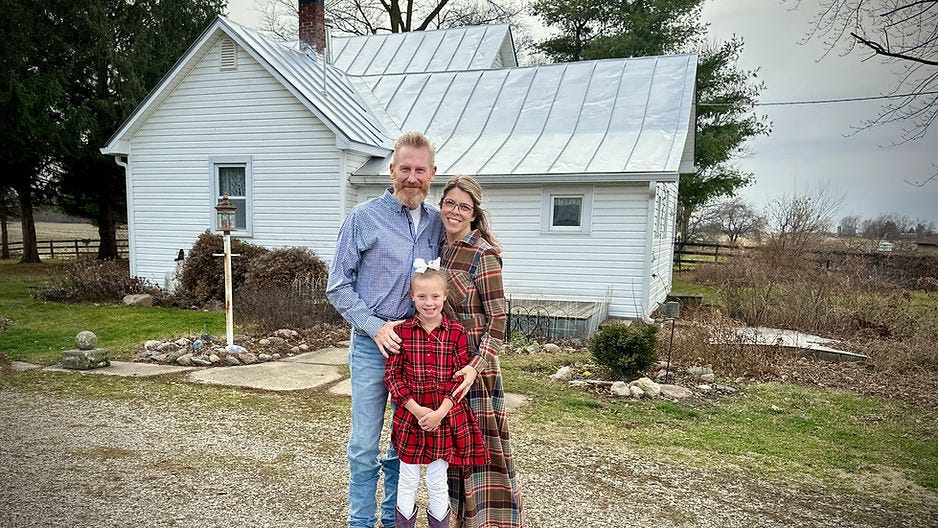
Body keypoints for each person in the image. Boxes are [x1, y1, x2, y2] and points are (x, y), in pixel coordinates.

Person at [327, 131, 450, 528]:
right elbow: (338, 285)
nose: (412, 177)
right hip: (370, 347)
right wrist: (376, 327)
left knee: (406, 445)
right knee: (364, 445)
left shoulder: (436, 223)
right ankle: (360, 521)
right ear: (392, 170)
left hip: (417, 352)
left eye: (420, 170)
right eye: (405, 169)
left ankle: (395, 518)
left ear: (432, 174)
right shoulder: (362, 218)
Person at [438, 175, 525, 527]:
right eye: (450, 203)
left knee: (482, 456)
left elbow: (499, 320)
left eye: (464, 206)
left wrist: (476, 366)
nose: (455, 211)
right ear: (441, 205)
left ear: (474, 213)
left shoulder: (483, 254)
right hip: (445, 366)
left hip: (476, 372)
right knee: (450, 456)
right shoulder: (438, 248)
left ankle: (492, 521)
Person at [384, 261, 490, 528]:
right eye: (421, 296)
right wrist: (418, 411)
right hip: (411, 417)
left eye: (434, 296)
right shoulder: (402, 332)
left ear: (444, 296)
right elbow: (392, 376)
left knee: (436, 478)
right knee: (407, 477)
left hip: (444, 418)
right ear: (412, 297)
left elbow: (460, 381)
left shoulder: (456, 334)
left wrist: (441, 412)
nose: (428, 302)